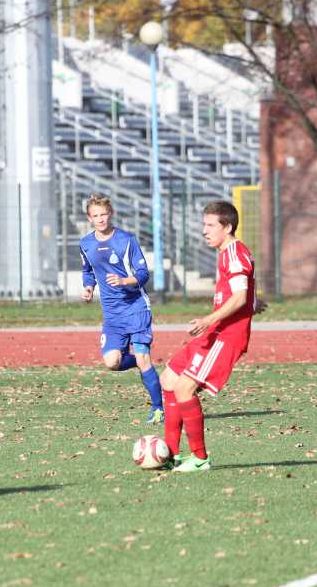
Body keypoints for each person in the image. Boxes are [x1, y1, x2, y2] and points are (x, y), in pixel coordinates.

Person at [159, 201, 259, 472]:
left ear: (227, 227)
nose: (204, 231)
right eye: (204, 224)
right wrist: (253, 304)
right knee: (168, 379)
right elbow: (244, 294)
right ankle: (171, 453)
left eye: (210, 225)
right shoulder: (229, 252)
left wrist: (208, 320)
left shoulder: (234, 253)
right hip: (216, 330)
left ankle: (200, 458)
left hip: (225, 335)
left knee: (184, 388)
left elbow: (239, 297)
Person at [79, 194, 164, 425]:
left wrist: (125, 281)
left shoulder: (126, 240)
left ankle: (159, 408)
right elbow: (88, 269)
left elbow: (143, 274)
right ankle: (140, 362)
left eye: (104, 214)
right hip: (112, 314)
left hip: (136, 308)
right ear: (89, 218)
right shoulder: (85, 244)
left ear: (111, 213)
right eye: (95, 215)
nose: (100, 219)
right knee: (112, 362)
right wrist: (88, 287)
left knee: (144, 358)